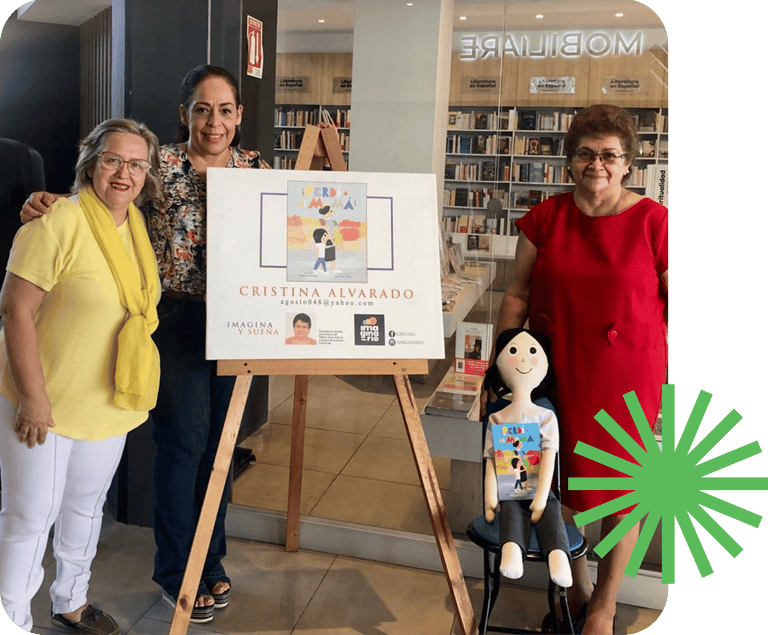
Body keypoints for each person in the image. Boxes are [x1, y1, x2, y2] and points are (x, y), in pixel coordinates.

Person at [21, 64, 335, 624]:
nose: (214, 122)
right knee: (182, 448)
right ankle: (176, 571)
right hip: (174, 318)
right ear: (184, 114)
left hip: (242, 321)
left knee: (221, 450)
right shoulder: (157, 163)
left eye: (225, 111)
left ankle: (210, 562)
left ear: (239, 115)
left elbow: (292, 235)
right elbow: (102, 204)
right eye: (202, 109)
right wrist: (50, 202)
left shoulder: (256, 169)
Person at [494, 104, 669, 635]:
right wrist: (498, 370)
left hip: (625, 376)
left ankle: (604, 607)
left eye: (610, 155)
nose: (598, 164)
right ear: (569, 160)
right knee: (556, 480)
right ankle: (578, 588)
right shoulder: (544, 219)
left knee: (622, 490)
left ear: (628, 163)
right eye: (586, 153)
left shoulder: (654, 221)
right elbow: (517, 294)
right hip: (553, 370)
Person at [0, 118, 162, 634]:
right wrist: (33, 398)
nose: (124, 173)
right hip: (45, 400)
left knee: (85, 509)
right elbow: (15, 309)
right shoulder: (56, 221)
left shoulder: (136, 227)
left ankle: (70, 600)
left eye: (136, 164)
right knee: (30, 517)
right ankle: (11, 621)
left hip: (109, 400)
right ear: (91, 163)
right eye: (113, 160)